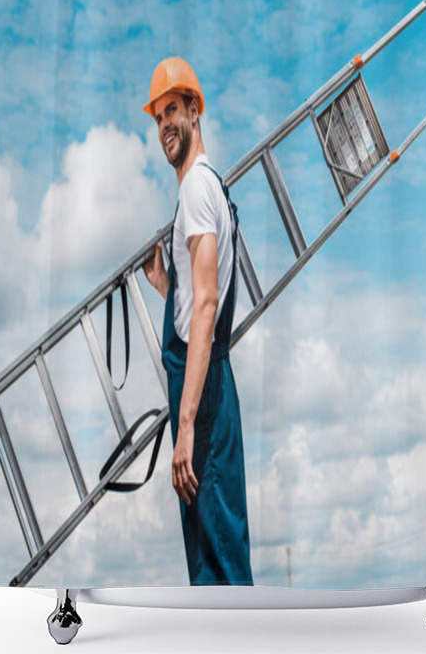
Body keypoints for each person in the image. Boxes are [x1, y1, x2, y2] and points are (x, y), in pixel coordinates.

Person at [141, 56, 253, 586]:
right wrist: (165, 283)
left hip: (202, 396)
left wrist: (185, 426)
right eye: (158, 115)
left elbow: (207, 306)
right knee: (214, 557)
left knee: (220, 570)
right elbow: (196, 299)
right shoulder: (209, 191)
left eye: (173, 111)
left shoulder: (195, 189)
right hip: (207, 389)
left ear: (194, 111)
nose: (164, 124)